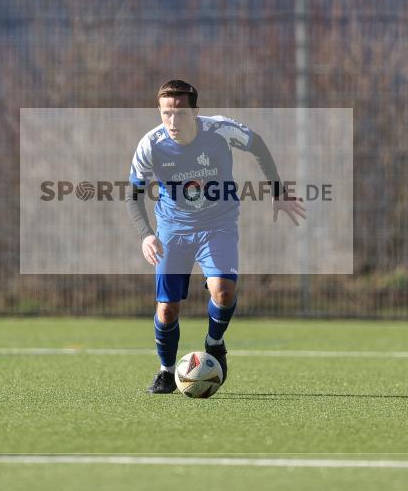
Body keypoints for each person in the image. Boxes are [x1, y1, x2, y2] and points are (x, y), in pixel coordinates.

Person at [125, 80, 306, 394]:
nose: (172, 121)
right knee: (167, 310)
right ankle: (167, 371)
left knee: (222, 292)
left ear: (195, 111)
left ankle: (215, 343)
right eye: (166, 113)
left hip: (217, 223)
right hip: (172, 229)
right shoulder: (150, 144)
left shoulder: (219, 130)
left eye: (180, 113)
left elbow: (258, 144)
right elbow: (133, 194)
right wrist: (146, 235)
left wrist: (277, 191)